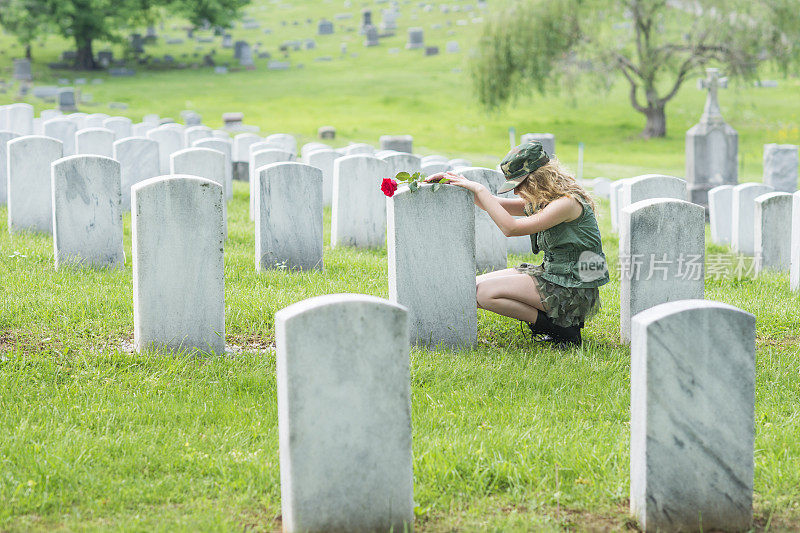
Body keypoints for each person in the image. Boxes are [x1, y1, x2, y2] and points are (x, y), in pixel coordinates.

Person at [426, 141, 610, 348]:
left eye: (519, 185)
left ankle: (562, 331)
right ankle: (557, 325)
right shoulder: (548, 199)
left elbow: (511, 228)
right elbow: (497, 204)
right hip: (554, 275)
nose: (515, 192)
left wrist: (479, 188)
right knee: (471, 288)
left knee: (485, 293)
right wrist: (459, 183)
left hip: (572, 288)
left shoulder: (565, 203)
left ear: (536, 179)